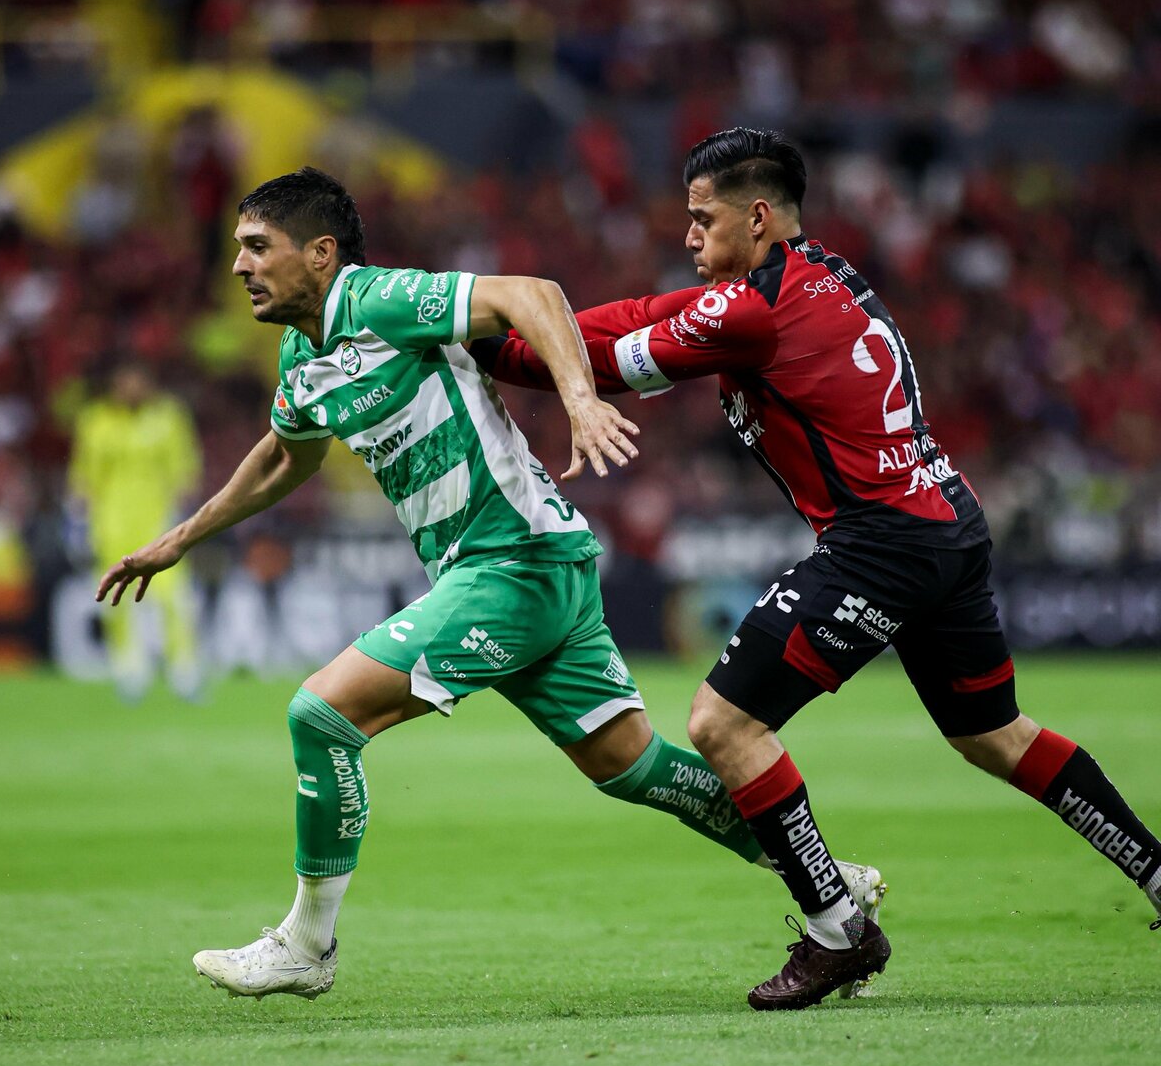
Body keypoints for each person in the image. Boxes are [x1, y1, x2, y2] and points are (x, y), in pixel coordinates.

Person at [475, 128, 1161, 1008]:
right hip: (947, 520)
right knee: (994, 735)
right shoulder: (825, 275)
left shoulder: (749, 313)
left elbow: (605, 359)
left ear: (758, 218)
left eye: (702, 219)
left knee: (723, 724)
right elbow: (639, 313)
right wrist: (515, 317)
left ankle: (838, 930)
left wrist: (480, 338)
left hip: (883, 543)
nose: (688, 235)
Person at [96, 167, 883, 1003]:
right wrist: (178, 540)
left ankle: (305, 945)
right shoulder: (303, 352)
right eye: (238, 249)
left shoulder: (376, 299)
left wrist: (579, 400)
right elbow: (285, 456)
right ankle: (829, 884)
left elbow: (531, 295)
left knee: (321, 716)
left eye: (258, 247)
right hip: (539, 563)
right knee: (632, 766)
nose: (240, 266)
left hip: (510, 564)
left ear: (320, 254)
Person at [70, 359, 205, 701]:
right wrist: (79, 520)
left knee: (173, 596)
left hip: (159, 522)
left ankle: (183, 668)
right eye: (124, 383)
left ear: (148, 384)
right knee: (116, 596)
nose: (131, 389)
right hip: (111, 523)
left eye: (137, 382)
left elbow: (185, 467)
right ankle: (130, 668)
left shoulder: (168, 417)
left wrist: (184, 514)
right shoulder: (96, 421)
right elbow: (85, 475)